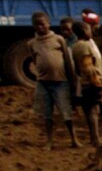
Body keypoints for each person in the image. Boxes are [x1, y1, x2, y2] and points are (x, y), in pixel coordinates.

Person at [28, 11, 79, 150]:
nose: (40, 28)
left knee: (66, 112)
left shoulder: (59, 39)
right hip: (43, 83)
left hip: (61, 81)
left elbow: (67, 61)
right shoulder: (32, 43)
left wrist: (72, 80)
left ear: (49, 24)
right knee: (47, 114)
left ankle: (74, 138)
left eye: (42, 24)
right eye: (36, 25)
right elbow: (35, 60)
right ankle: (49, 141)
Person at [70, 21, 102, 146]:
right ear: (84, 30)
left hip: (85, 82)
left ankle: (93, 138)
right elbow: (88, 67)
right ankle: (95, 139)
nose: (91, 31)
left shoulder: (76, 45)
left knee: (90, 110)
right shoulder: (84, 46)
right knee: (92, 111)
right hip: (90, 82)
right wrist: (98, 83)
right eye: (89, 29)